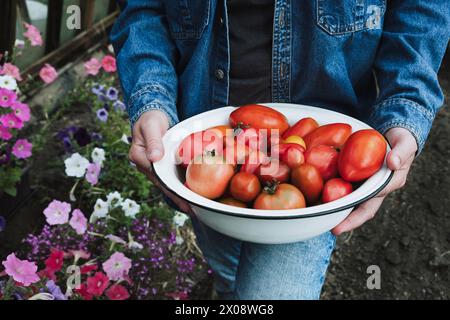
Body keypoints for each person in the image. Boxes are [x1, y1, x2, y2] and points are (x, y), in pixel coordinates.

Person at [111, 0, 450, 299]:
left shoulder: (310, 166)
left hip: (315, 185)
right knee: (225, 262)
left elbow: (420, 11)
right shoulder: (204, 148)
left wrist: (405, 112)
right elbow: (144, 9)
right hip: (201, 136)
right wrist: (151, 100)